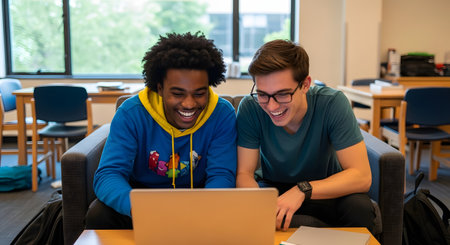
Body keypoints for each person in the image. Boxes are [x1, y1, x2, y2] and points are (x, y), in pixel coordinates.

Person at [85, 32, 237, 229]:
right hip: (142, 201)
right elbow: (109, 174)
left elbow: (221, 175)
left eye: (199, 94)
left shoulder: (221, 114)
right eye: (177, 93)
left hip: (199, 200)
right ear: (159, 87)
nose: (189, 104)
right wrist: (141, 209)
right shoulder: (131, 113)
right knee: (98, 214)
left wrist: (204, 210)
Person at [236, 39, 375, 232]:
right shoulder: (250, 108)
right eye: (262, 95)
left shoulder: (332, 103)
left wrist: (303, 189)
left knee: (360, 208)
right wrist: (261, 206)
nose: (272, 106)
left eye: (283, 94)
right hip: (272, 189)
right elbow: (244, 173)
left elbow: (362, 176)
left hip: (324, 189)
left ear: (305, 84)